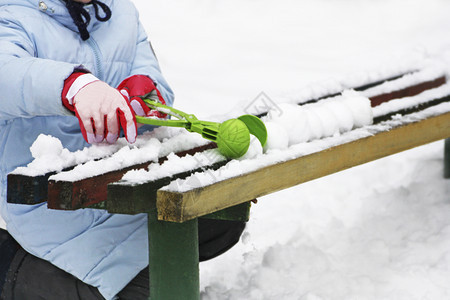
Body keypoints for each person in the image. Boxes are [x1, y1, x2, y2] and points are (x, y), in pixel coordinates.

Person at [0, 0, 245, 299]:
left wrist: (146, 93)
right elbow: (7, 72)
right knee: (153, 287)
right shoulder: (12, 13)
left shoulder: (121, 13)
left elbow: (153, 80)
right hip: (46, 205)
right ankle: (13, 268)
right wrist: (73, 86)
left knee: (217, 219)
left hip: (116, 186)